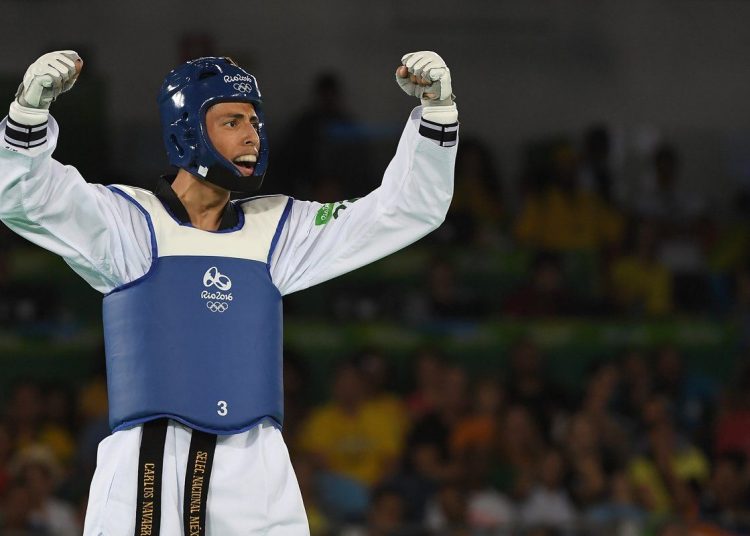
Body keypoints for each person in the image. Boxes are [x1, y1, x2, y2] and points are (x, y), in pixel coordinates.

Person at [0, 49, 459, 535]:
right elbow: (23, 197)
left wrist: (437, 114)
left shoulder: (278, 228)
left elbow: (403, 211)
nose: (252, 135)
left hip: (257, 470)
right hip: (152, 466)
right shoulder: (127, 223)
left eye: (255, 121)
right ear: (187, 131)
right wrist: (28, 116)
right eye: (232, 121)